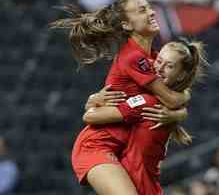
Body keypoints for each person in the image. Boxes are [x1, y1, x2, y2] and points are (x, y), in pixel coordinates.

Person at [50, 0, 191, 195]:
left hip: (122, 150)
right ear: (126, 25)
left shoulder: (152, 58)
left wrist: (178, 113)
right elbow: (169, 98)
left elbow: (171, 99)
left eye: (149, 7)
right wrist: (181, 106)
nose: (151, 12)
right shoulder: (134, 57)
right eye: (142, 10)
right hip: (97, 146)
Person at [83, 40, 208, 194]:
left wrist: (92, 104)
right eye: (159, 61)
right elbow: (181, 97)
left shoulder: (151, 101)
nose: (159, 68)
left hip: (141, 180)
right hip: (136, 178)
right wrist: (94, 98)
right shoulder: (162, 98)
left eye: (169, 66)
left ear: (181, 75)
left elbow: (90, 116)